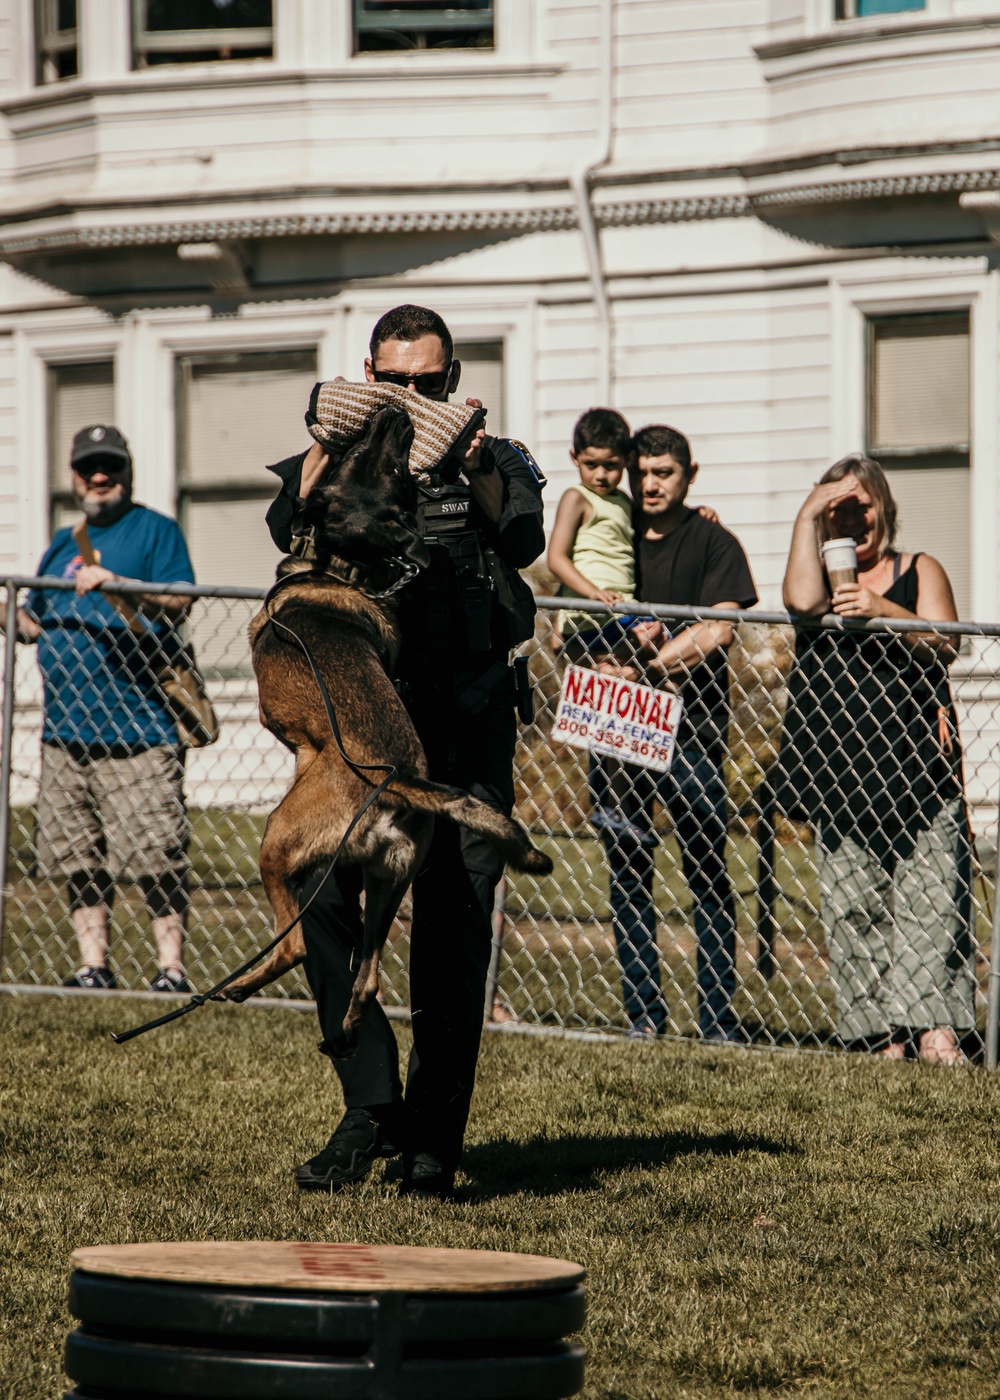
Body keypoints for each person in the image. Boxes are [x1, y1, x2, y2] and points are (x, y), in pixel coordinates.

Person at [264, 304, 545, 1199]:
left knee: (454, 929)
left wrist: (470, 462)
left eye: (428, 382)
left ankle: (432, 1145)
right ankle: (370, 1106)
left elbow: (524, 539)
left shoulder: (497, 460)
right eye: (395, 381)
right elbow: (285, 523)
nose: (411, 395)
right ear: (369, 375)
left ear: (452, 381)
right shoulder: (340, 458)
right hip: (366, 721)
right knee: (317, 887)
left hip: (465, 720)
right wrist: (322, 454)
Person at [778, 454, 974, 1065]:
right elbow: (800, 601)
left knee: (933, 900)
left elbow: (947, 640)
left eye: (861, 506)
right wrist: (808, 512)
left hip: (916, 763)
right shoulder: (820, 574)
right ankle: (880, 1037)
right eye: (836, 509)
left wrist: (882, 611)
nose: (851, 519)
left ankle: (934, 1031)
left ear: (884, 507)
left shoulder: (919, 569)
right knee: (852, 905)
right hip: (838, 762)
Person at [591, 424, 757, 1042]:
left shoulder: (714, 542)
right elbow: (572, 615)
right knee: (628, 869)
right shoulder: (611, 531)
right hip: (618, 721)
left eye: (664, 473)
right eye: (642, 473)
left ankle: (716, 1020)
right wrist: (598, 657)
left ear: (690, 475)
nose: (650, 484)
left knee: (706, 872)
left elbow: (720, 627)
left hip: (694, 732)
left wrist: (650, 668)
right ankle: (645, 1016)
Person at [16, 425, 195, 993]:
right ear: (73, 476)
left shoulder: (156, 531)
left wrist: (119, 583)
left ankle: (171, 970)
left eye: (110, 466)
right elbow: (31, 624)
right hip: (64, 734)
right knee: (78, 859)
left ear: (128, 471)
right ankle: (94, 967)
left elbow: (180, 600)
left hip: (138, 730)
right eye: (88, 467)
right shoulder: (62, 542)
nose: (99, 476)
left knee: (158, 857)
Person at [547, 407, 635, 645]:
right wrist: (592, 592)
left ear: (628, 459)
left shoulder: (624, 500)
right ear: (574, 457)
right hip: (588, 613)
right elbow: (556, 558)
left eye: (610, 465)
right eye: (591, 464)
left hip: (622, 607)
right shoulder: (577, 498)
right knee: (650, 635)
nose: (600, 475)